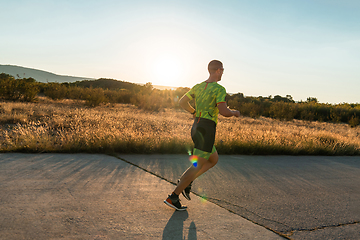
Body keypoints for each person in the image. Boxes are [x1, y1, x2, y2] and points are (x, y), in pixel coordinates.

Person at [164, 60, 240, 211]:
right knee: (197, 165)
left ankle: (187, 181)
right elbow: (224, 112)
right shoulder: (219, 89)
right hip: (207, 129)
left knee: (213, 159)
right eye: (222, 70)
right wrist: (234, 113)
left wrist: (193, 112)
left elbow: (182, 102)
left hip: (197, 126)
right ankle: (174, 196)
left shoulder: (198, 87)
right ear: (218, 70)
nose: (223, 73)